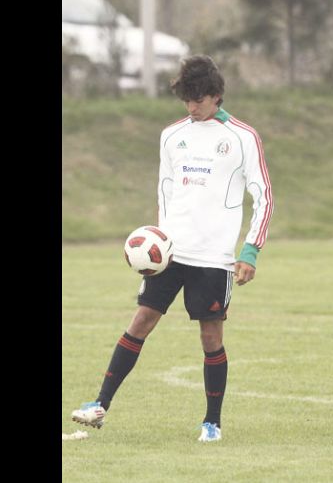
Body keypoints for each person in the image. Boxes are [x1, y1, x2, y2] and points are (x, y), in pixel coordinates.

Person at [70, 55, 273, 442]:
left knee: (210, 337)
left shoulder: (243, 137)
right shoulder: (171, 135)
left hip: (214, 257)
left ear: (216, 96)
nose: (191, 107)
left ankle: (212, 422)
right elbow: (165, 190)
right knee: (140, 322)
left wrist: (250, 250)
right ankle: (99, 405)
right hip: (170, 255)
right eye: (186, 100)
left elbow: (264, 196)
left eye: (198, 99)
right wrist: (157, 242)